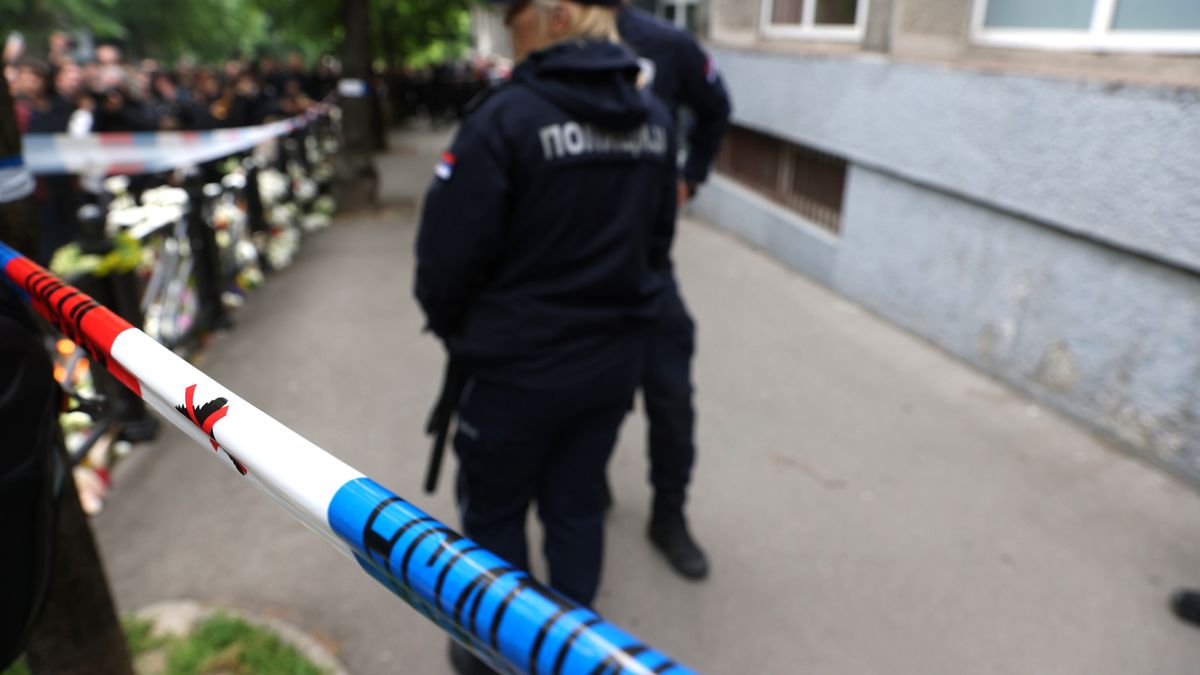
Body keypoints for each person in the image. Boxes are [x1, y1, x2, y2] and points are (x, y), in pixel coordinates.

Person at [413, 0, 676, 671]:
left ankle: (492, 649)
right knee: (577, 504)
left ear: (556, 16)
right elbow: (657, 247)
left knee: (495, 517)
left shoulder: (506, 117)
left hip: (513, 374)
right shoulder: (653, 120)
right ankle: (571, 651)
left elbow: (443, 263)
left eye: (516, 14)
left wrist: (467, 334)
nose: (509, 29)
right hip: (608, 367)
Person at [613, 0, 731, 581]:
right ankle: (585, 488)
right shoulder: (544, 35)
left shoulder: (666, 43)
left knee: (671, 398)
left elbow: (716, 109)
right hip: (568, 270)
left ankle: (668, 515)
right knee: (589, 397)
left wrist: (692, 178)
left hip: (647, 265)